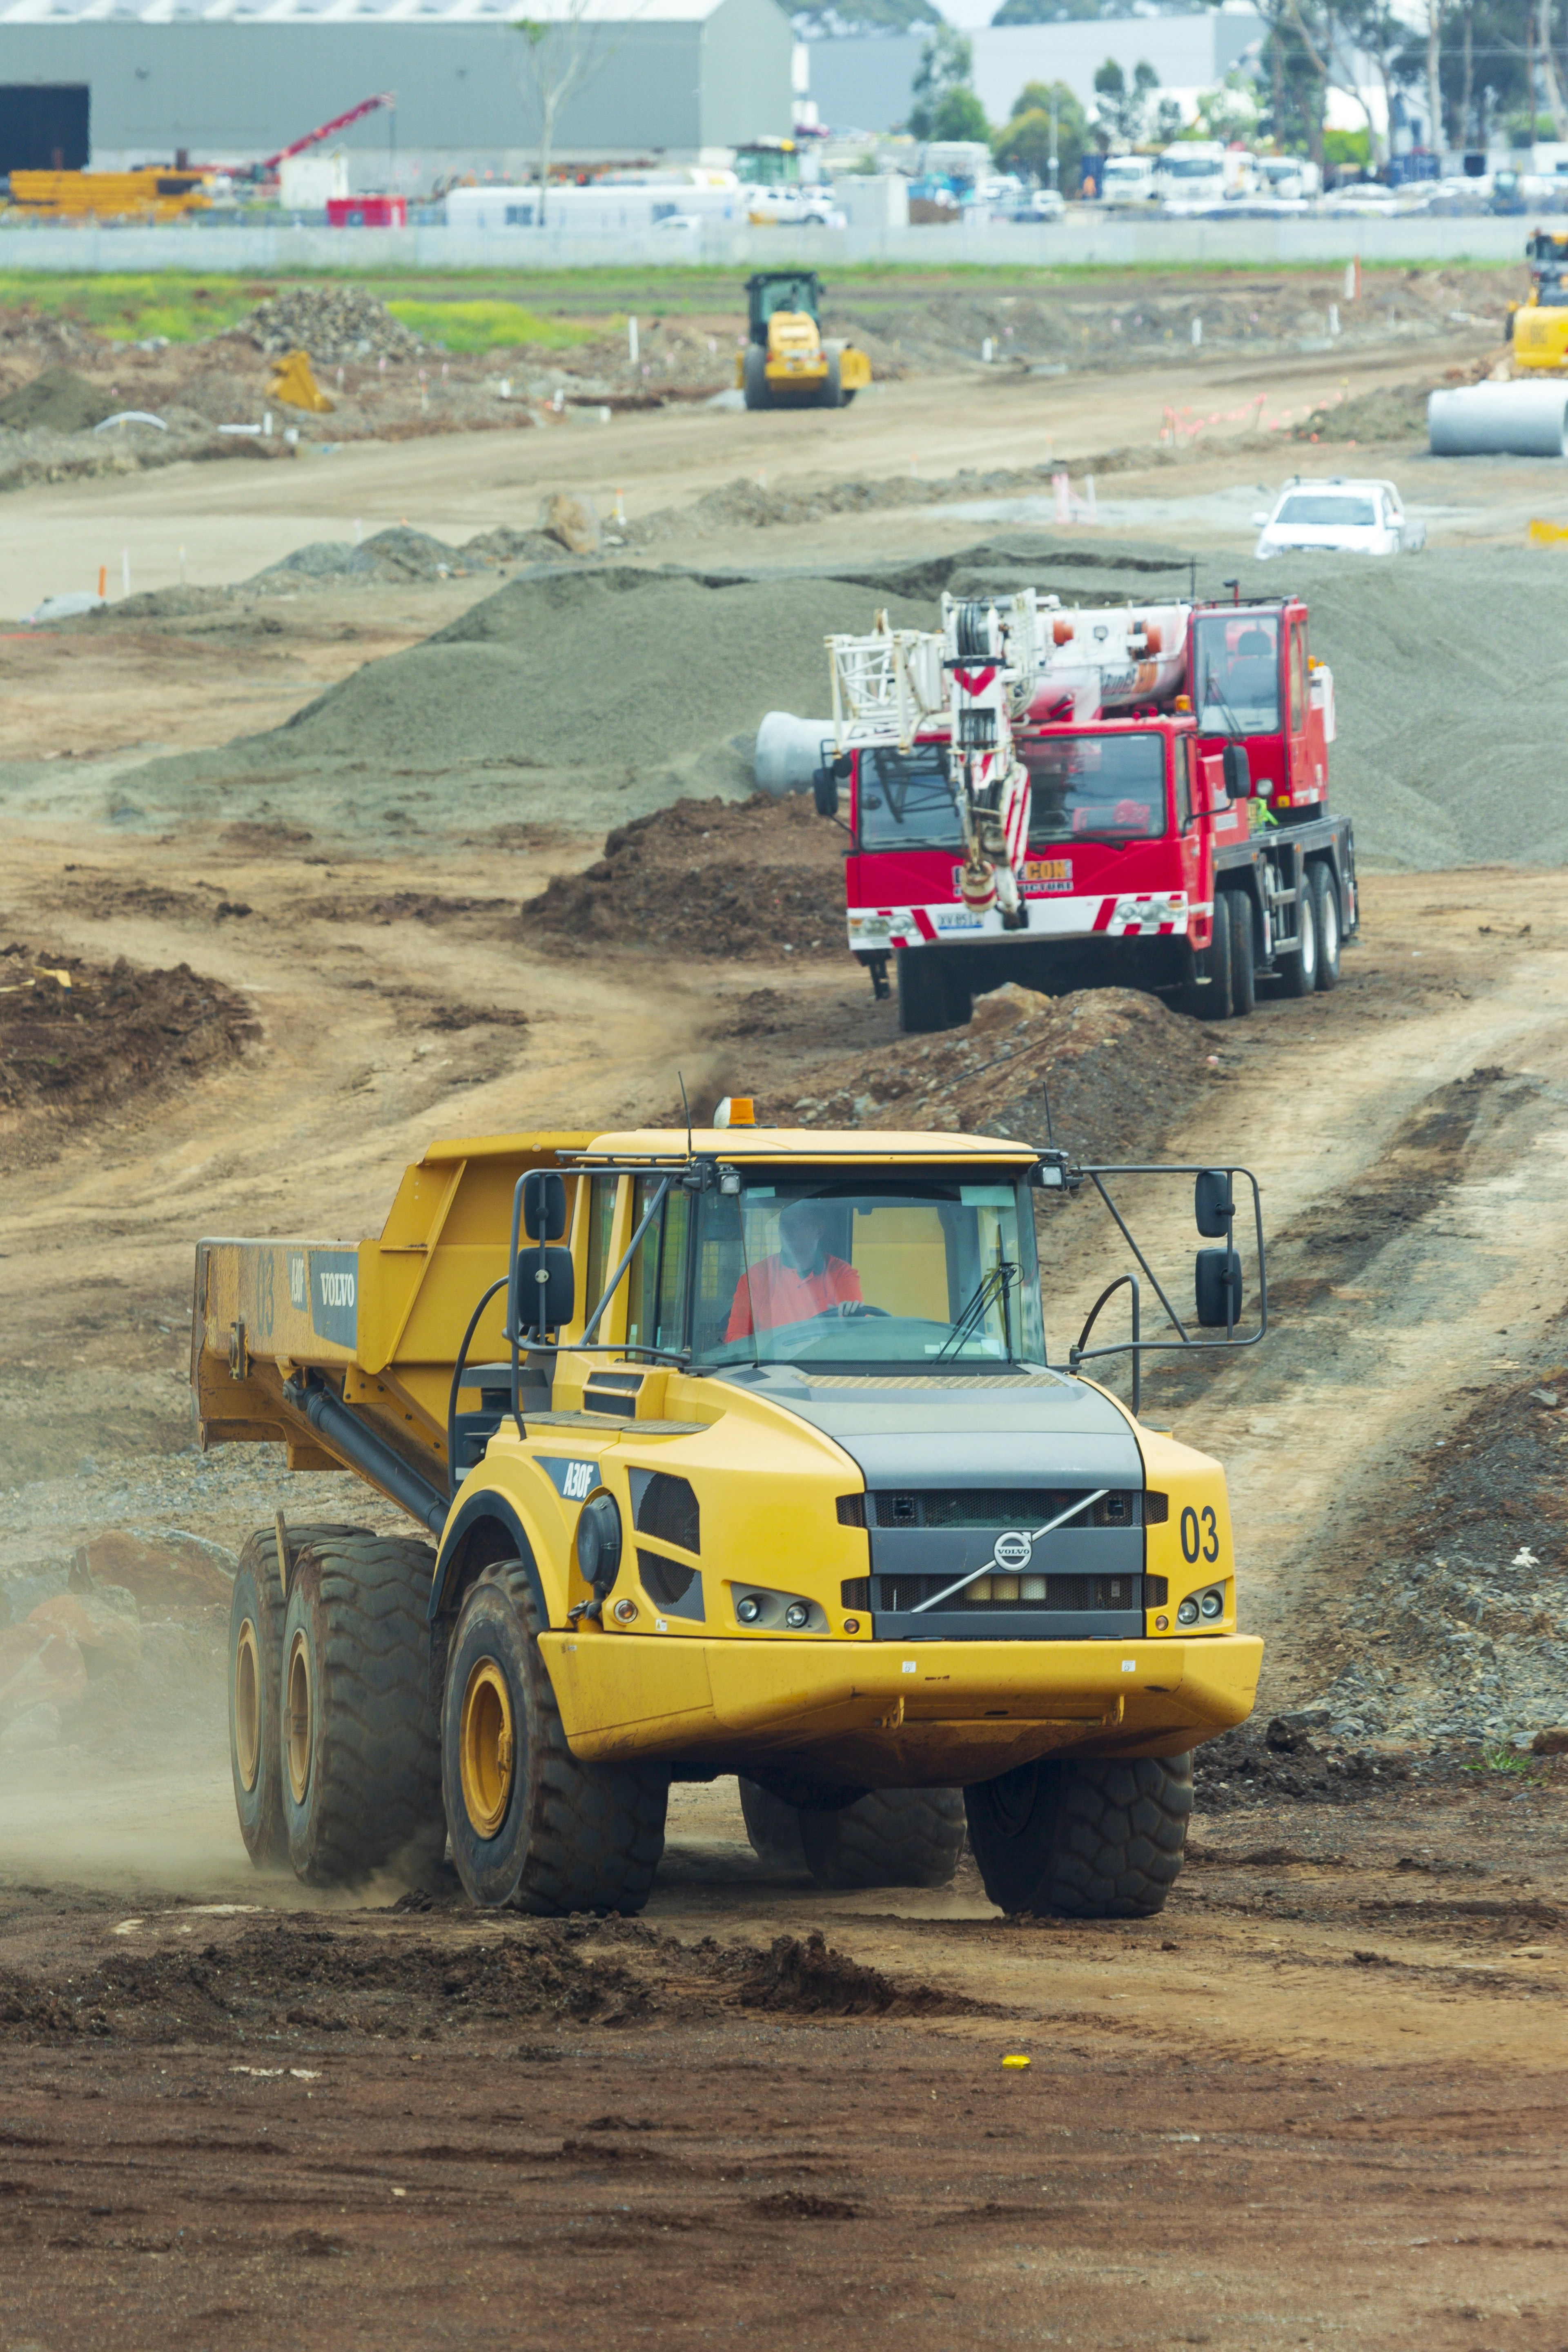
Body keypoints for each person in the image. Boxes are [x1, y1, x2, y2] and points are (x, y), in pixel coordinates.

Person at [726, 1198, 865, 1340]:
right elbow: (735, 1339)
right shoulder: (756, 1278)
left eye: (797, 1223)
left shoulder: (841, 1274)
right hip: (771, 1362)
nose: (787, 1231)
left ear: (819, 1231)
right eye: (783, 1224)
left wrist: (851, 1323)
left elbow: (856, 1332)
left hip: (824, 1360)